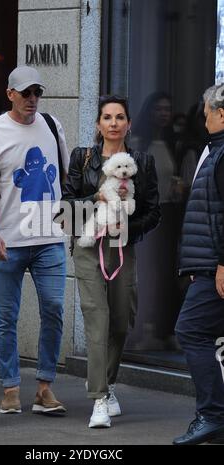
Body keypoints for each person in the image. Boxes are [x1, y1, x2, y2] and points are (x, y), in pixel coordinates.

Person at [62, 95, 160, 428]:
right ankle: (99, 399)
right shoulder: (82, 158)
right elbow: (65, 210)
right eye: (107, 117)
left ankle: (109, 384)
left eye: (120, 117)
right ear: (98, 124)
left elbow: (152, 211)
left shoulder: (142, 163)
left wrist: (127, 228)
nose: (114, 122)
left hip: (122, 247)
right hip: (88, 247)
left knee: (121, 321)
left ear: (129, 124)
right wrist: (96, 198)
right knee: (97, 321)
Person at [0, 65, 70, 415]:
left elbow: (66, 177)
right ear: (10, 94)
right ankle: (9, 387)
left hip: (49, 237)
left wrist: (68, 222)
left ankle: (44, 387)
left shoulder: (52, 125)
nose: (32, 99)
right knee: (6, 317)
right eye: (26, 93)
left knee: (53, 308)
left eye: (37, 92)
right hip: (7, 238)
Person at [173, 84, 224, 445]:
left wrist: (221, 264)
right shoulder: (215, 151)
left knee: (190, 330)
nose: (203, 117)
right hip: (207, 265)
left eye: (207, 111)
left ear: (221, 113)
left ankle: (213, 414)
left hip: (216, 269)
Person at [132, 92, 185, 350]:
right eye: (159, 109)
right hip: (145, 214)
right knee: (144, 272)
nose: (164, 113)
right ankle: (140, 331)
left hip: (168, 213)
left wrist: (177, 185)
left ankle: (165, 329)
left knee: (166, 272)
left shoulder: (171, 140)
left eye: (168, 109)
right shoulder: (139, 141)